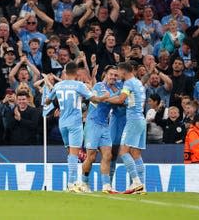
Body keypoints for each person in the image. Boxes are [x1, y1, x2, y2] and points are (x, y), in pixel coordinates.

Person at [44, 62, 103, 193]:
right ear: (76, 73)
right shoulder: (79, 85)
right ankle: (71, 184)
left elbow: (47, 101)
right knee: (74, 154)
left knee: (70, 153)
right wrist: (103, 98)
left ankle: (72, 182)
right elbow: (93, 99)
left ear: (65, 72)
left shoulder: (58, 85)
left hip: (62, 123)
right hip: (75, 123)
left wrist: (48, 94)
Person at [106, 62, 147, 194]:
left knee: (123, 152)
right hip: (141, 119)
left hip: (133, 120)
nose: (118, 74)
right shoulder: (138, 83)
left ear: (123, 71)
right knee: (136, 154)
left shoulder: (128, 83)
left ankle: (136, 182)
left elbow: (120, 100)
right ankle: (141, 186)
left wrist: (104, 99)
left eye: (118, 71)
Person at [81, 66, 117, 193]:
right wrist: (115, 99)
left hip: (104, 126)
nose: (113, 77)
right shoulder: (98, 86)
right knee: (91, 157)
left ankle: (106, 186)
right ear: (106, 75)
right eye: (111, 74)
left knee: (108, 155)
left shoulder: (115, 90)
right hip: (92, 124)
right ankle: (84, 183)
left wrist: (113, 98)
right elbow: (100, 100)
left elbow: (113, 100)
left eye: (115, 75)